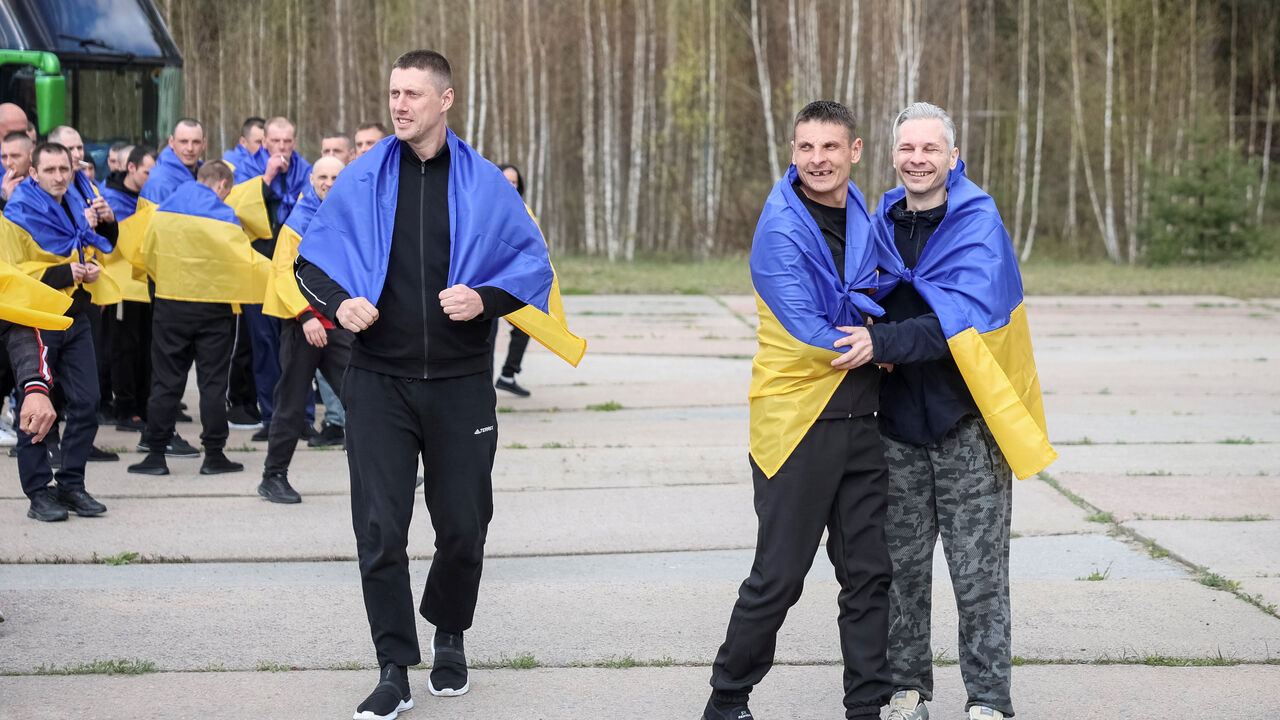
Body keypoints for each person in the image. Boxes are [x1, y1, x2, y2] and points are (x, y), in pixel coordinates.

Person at [295, 49, 583, 720]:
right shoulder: (363, 178)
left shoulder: (485, 183)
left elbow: (530, 268)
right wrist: (339, 306)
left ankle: (449, 633)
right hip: (378, 382)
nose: (399, 104)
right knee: (379, 529)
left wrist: (484, 300)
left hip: (458, 385)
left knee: (463, 527)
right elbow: (310, 264)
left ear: (445, 100)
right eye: (393, 92)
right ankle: (393, 667)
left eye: (413, 94)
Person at [838, 102, 1056, 720]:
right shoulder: (876, 223)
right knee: (900, 575)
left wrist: (882, 343)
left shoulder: (978, 224)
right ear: (894, 156)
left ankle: (988, 702)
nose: (917, 159)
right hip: (897, 429)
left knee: (979, 576)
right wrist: (863, 328)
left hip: (969, 428)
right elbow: (859, 296)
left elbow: (953, 326)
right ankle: (907, 690)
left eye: (930, 149)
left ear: (953, 158)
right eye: (907, 149)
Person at [703, 101, 892, 720]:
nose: (818, 160)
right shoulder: (781, 225)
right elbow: (810, 329)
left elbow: (890, 291)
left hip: (863, 421)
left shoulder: (868, 216)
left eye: (831, 147)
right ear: (792, 151)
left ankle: (866, 704)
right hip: (798, 422)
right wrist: (881, 346)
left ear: (854, 151)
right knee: (780, 576)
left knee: (868, 575)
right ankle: (728, 697)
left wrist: (887, 339)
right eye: (806, 148)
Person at [127, 160, 271, 477]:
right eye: (228, 191)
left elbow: (147, 252)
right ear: (221, 184)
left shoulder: (163, 210)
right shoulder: (225, 216)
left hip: (170, 307)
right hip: (214, 310)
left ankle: (155, 455)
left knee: (165, 382)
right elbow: (242, 263)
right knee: (212, 385)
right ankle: (214, 455)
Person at [0, 142, 119, 521]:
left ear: (73, 169)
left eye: (64, 169)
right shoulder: (18, 210)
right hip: (37, 316)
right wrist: (65, 272)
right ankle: (38, 492)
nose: (58, 176)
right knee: (36, 403)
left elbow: (89, 246)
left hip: (75, 311)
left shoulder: (73, 201)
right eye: (49, 170)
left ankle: (71, 484)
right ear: (33, 172)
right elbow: (12, 272)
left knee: (88, 401)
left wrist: (87, 268)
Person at [258, 155, 350, 503]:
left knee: (361, 399)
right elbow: (283, 272)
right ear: (311, 180)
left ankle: (380, 470)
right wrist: (306, 315)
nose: (328, 182)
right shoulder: (299, 219)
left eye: (334, 176)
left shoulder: (348, 214)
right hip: (305, 324)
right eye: (322, 176)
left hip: (339, 322)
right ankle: (273, 476)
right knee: (292, 404)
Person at [100, 146, 157, 432]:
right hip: (122, 288)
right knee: (124, 349)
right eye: (148, 172)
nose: (152, 177)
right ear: (131, 168)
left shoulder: (150, 197)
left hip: (147, 284)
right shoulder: (107, 198)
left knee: (147, 348)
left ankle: (145, 406)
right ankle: (125, 408)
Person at [491, 163, 533, 397]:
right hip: (486, 284)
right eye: (505, 180)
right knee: (486, 334)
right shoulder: (484, 208)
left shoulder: (523, 212)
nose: (510, 185)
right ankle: (482, 385)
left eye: (514, 181)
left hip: (512, 285)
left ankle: (508, 374)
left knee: (525, 327)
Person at [1, 131, 33, 208]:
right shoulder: (2, 188)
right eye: (4, 157)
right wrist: (3, 199)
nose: (8, 163)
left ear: (31, 156)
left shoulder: (45, 184)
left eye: (15, 156)